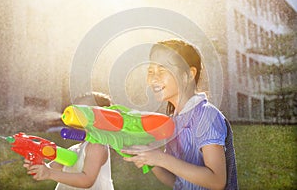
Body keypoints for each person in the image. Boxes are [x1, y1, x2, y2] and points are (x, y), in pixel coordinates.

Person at [123, 39, 238, 190]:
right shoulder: (174, 121)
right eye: (150, 71)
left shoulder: (206, 115)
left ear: (189, 74)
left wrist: (160, 158)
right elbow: (177, 181)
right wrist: (151, 159)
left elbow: (217, 181)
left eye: (162, 70)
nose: (153, 78)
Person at [24, 92, 114, 190]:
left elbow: (87, 180)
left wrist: (49, 173)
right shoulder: (74, 149)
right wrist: (38, 166)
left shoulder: (97, 146)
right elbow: (52, 167)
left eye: (83, 110)